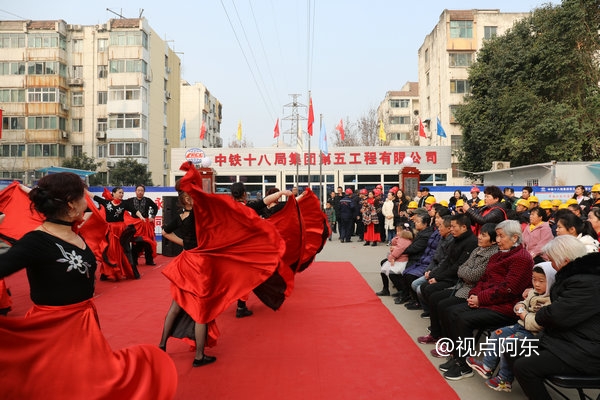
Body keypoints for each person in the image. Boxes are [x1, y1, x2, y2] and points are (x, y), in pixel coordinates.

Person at [0, 172, 177, 399]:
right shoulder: (36, 241)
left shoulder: (75, 234)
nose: (88, 203)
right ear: (72, 203)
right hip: (53, 330)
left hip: (85, 325)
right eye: (84, 197)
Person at [439, 220, 534, 380]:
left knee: (463, 319)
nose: (497, 240)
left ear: (515, 237)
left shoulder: (521, 258)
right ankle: (457, 356)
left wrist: (480, 299)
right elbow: (484, 279)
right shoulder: (499, 254)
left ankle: (463, 365)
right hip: (489, 301)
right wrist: (474, 295)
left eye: (501, 236)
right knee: (451, 312)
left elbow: (508, 289)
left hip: (506, 306)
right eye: (497, 236)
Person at [513, 236, 600, 400]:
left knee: (524, 367)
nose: (552, 265)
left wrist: (539, 313)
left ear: (565, 260)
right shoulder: (578, 277)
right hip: (566, 340)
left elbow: (556, 315)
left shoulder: (587, 283)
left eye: (552, 260)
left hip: (586, 350)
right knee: (513, 349)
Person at [466, 262, 556, 393]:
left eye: (541, 281)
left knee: (509, 344)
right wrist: (519, 307)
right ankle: (487, 366)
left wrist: (523, 314)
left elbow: (539, 323)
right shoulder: (533, 292)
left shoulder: (550, 301)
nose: (536, 284)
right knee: (497, 333)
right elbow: (522, 303)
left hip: (533, 334)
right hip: (519, 326)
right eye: (534, 279)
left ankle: (505, 379)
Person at [159, 189, 216, 366]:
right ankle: (199, 356)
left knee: (176, 306)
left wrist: (185, 243)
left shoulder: (182, 216)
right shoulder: (200, 216)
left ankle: (161, 345)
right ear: (188, 199)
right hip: (198, 264)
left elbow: (165, 232)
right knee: (201, 310)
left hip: (186, 261)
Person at [417, 223, 498, 346]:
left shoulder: (492, 254)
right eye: (480, 234)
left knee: (445, 305)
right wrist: (463, 272)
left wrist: (464, 272)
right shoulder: (477, 249)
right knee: (433, 296)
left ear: (493, 241)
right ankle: (436, 334)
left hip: (471, 289)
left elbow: (474, 276)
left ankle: (447, 340)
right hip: (462, 284)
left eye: (484, 235)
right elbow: (461, 268)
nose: (479, 237)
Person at [230, 181, 293, 317]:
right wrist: (281, 193)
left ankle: (239, 306)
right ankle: (242, 306)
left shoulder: (227, 209)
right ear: (244, 194)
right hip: (247, 250)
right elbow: (264, 201)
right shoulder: (248, 208)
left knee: (237, 278)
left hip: (231, 249)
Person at [91, 186, 139, 280]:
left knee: (124, 250)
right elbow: (94, 197)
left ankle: (130, 271)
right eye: (120, 192)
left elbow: (134, 210)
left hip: (121, 230)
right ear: (113, 193)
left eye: (122, 193)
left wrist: (141, 217)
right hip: (110, 230)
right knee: (109, 250)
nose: (121, 194)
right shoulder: (106, 203)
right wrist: (83, 190)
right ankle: (107, 273)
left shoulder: (124, 203)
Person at [122, 184, 159, 267]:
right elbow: (122, 207)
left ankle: (149, 260)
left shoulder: (148, 200)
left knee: (147, 242)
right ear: (135, 191)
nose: (140, 192)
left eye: (142, 190)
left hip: (145, 224)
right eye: (138, 190)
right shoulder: (130, 201)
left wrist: (152, 216)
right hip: (135, 224)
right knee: (135, 242)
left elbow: (155, 207)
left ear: (144, 192)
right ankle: (134, 261)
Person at [377, 227, 414, 295]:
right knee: (384, 271)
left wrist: (391, 258)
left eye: (399, 231)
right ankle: (386, 289)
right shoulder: (401, 239)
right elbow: (393, 244)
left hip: (400, 261)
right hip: (397, 259)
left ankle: (401, 291)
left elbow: (397, 251)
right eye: (397, 231)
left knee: (391, 273)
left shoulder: (404, 241)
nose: (397, 233)